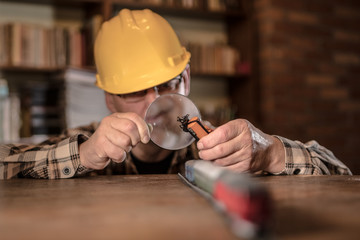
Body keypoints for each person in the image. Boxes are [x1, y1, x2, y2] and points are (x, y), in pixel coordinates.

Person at [0, 9, 351, 179]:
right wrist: (83, 156)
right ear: (110, 98)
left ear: (187, 77)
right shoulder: (87, 145)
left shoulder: (224, 147)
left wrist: (270, 152)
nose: (156, 103)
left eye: (168, 84)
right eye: (135, 91)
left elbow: (340, 175)